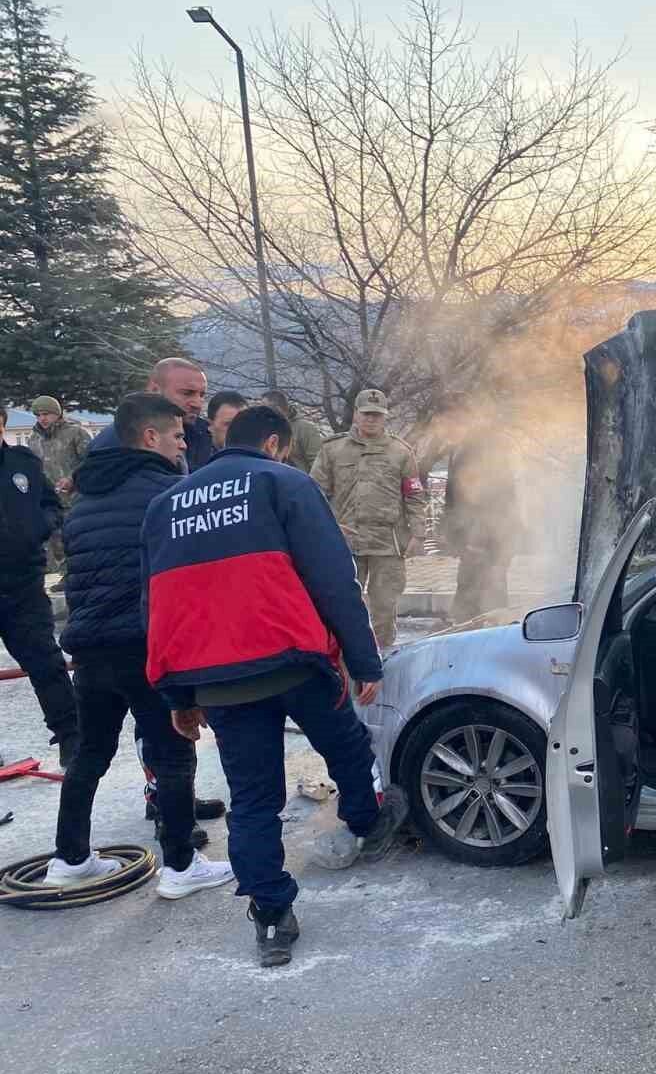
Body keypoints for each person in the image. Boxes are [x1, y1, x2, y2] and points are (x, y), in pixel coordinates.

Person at [142, 405, 406, 967]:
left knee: (253, 800)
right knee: (345, 745)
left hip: (218, 683)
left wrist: (178, 696)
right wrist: (364, 660)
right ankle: (367, 820)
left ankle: (271, 917)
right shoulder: (283, 482)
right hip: (294, 662)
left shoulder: (166, 505)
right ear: (273, 444)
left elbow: (157, 606)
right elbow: (333, 578)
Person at [42, 395, 235, 898]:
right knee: (172, 752)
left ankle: (70, 858)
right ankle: (181, 865)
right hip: (147, 647)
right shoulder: (171, 495)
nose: (182, 445)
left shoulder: (85, 502)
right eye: (176, 436)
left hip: (90, 650)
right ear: (150, 437)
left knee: (90, 752)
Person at [311, 389, 423, 650]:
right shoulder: (333, 449)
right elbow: (314, 493)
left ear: (385, 417)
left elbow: (414, 495)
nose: (372, 419)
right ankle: (345, 659)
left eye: (377, 415)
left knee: (385, 606)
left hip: (388, 544)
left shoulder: (401, 452)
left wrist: (418, 534)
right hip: (346, 541)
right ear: (355, 414)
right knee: (343, 604)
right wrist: (322, 530)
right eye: (366, 414)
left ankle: (383, 657)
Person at [0, 409, 78, 769]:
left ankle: (71, 737)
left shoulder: (23, 462)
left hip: (23, 584)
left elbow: (50, 503)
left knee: (46, 663)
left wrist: (39, 526)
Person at [85, 356, 213, 472]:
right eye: (187, 393)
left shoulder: (206, 433)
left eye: (202, 395)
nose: (197, 404)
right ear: (154, 390)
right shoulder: (116, 440)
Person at [443, 431, 516, 623]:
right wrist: (454, 536)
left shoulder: (497, 455)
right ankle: (469, 627)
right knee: (469, 591)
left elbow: (508, 500)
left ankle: (491, 630)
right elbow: (451, 499)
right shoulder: (460, 452)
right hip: (470, 536)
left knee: (493, 589)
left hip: (493, 538)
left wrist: (505, 543)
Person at [27, 395, 91, 577]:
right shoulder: (34, 439)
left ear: (57, 413)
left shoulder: (76, 433)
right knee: (56, 545)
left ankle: (77, 575)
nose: (42, 419)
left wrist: (72, 478)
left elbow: (91, 462)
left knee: (77, 543)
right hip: (49, 503)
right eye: (38, 415)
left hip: (76, 500)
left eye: (46, 414)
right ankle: (63, 575)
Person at [262, 390, 324, 475]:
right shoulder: (265, 429)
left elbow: (317, 464)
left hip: (299, 480)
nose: (261, 411)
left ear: (277, 408)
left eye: (264, 408)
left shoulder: (305, 429)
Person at [206, 390, 250, 455]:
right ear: (210, 425)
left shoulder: (259, 457)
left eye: (243, 424)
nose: (238, 431)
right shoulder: (197, 456)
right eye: (229, 424)